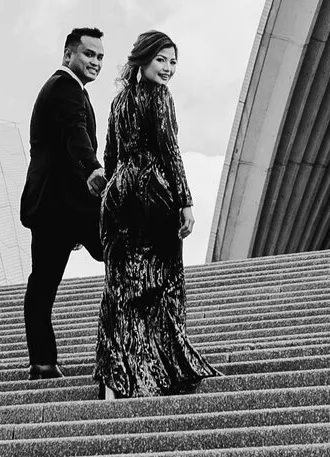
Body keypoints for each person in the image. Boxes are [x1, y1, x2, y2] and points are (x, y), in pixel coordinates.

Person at [94, 30, 216, 399]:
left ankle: (115, 378)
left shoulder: (118, 101)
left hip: (119, 196)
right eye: (161, 59)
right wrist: (185, 201)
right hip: (153, 196)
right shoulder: (160, 96)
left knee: (120, 287)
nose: (168, 68)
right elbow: (169, 149)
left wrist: (109, 197)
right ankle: (160, 371)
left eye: (173, 61)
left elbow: (110, 155)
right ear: (143, 60)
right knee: (161, 284)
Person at [19, 27, 106, 379]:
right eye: (89, 54)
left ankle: (42, 362)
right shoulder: (65, 88)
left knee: (43, 284)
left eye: (100, 56)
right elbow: (75, 133)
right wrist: (92, 169)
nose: (95, 61)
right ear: (68, 55)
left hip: (57, 207)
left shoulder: (66, 88)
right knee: (125, 254)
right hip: (65, 205)